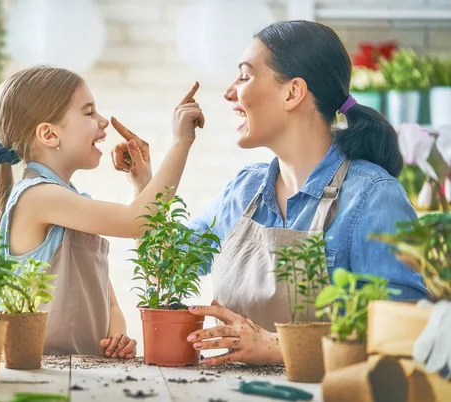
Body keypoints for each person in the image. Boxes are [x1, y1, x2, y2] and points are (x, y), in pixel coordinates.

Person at [111, 20, 428, 366]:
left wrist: (278, 347)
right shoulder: (247, 189)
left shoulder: (373, 196)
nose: (229, 92)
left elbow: (404, 335)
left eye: (245, 76)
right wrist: (144, 181)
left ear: (293, 92)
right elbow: (164, 268)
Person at [0, 66, 204, 358]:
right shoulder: (37, 196)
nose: (103, 122)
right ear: (49, 134)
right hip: (41, 377)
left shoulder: (69, 202)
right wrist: (181, 142)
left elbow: (109, 305)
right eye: (89, 113)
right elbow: (137, 221)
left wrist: (117, 336)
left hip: (78, 374)